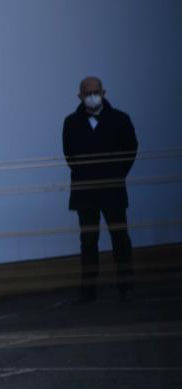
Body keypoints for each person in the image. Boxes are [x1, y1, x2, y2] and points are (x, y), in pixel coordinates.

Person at [62, 76, 138, 303]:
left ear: (104, 93)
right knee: (88, 242)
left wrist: (116, 174)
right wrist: (86, 175)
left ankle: (126, 286)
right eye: (88, 93)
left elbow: (130, 149)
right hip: (85, 192)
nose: (93, 96)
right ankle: (88, 290)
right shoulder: (71, 122)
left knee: (120, 238)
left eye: (96, 92)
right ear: (80, 96)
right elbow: (70, 155)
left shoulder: (120, 119)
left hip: (112, 189)